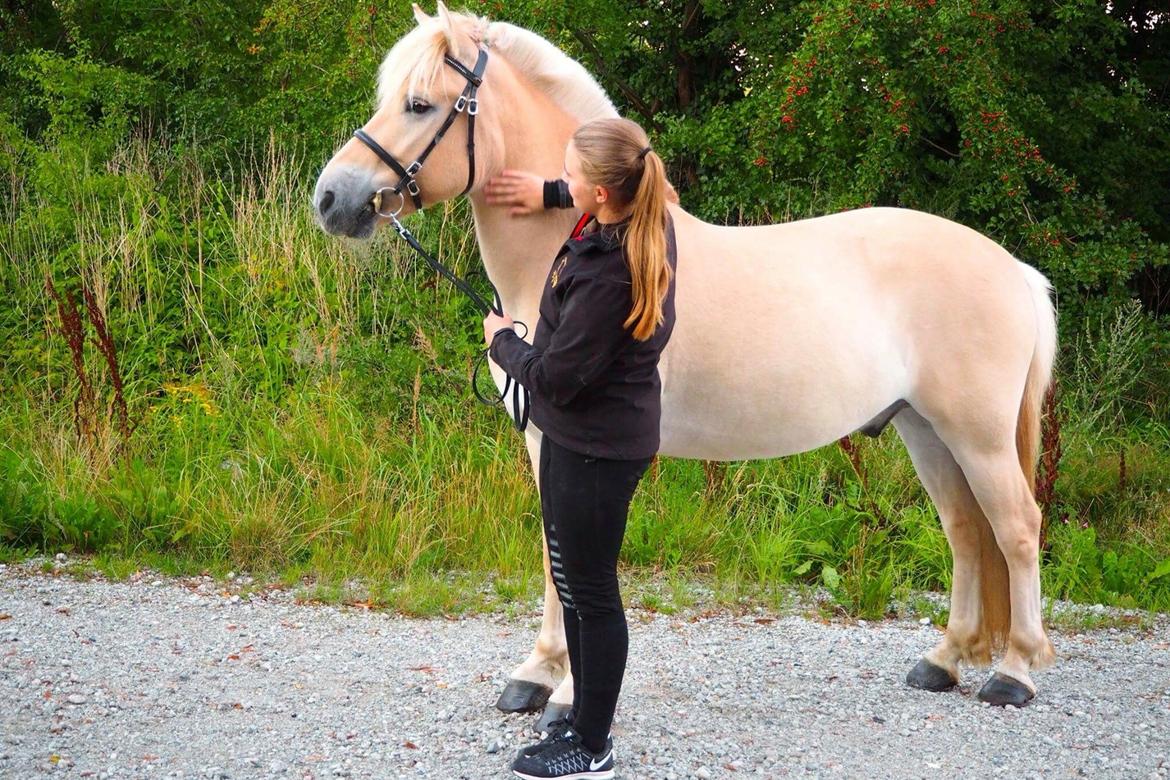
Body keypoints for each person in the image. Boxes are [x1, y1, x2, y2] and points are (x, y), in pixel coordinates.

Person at [483, 116, 677, 780]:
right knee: (571, 580)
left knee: (591, 591)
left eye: (570, 176)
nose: (560, 183)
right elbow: (582, 194)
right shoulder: (629, 223)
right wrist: (546, 194)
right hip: (588, 438)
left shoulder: (607, 272)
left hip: (593, 447)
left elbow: (557, 377)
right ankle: (583, 714)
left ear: (600, 192)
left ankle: (592, 742)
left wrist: (502, 340)